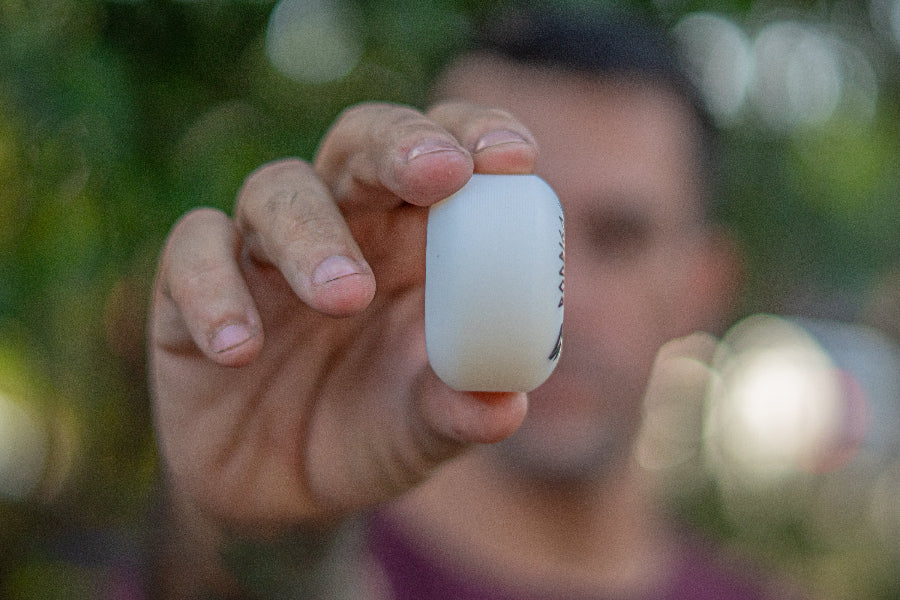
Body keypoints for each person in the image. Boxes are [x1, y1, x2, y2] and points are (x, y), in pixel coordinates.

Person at [147, 6, 800, 599]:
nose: (558, 302)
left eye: (618, 238)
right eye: (500, 235)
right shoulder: (309, 557)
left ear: (703, 288)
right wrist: (269, 543)